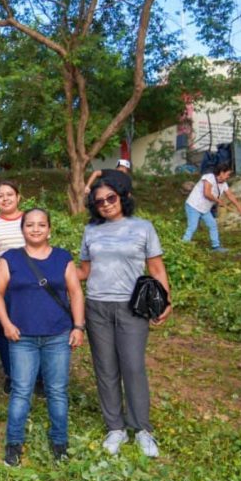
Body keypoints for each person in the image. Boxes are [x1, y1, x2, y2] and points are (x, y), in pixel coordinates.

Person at [78, 175, 171, 458]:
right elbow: (84, 271)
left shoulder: (143, 228)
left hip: (132, 307)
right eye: (99, 201)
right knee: (105, 369)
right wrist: (50, 266)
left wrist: (165, 301)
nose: (106, 204)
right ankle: (115, 428)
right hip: (97, 307)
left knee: (133, 366)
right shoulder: (91, 231)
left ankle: (141, 428)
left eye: (111, 198)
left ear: (123, 196)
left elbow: (156, 269)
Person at [0, 209, 85, 465]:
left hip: (58, 335)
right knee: (21, 391)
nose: (36, 229)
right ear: (22, 229)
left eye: (41, 225)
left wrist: (78, 327)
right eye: (30, 225)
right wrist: (6, 324)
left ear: (49, 229)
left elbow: (76, 293)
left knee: (57, 391)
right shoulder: (9, 258)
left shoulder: (62, 258)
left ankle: (59, 442)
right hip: (21, 337)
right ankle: (14, 443)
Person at [0, 181, 26, 389]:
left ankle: (37, 375)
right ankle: (11, 374)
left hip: (32, 284)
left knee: (33, 327)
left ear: (18, 197)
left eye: (9, 194)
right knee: (5, 328)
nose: (5, 199)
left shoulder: (30, 219)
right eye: (0, 196)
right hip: (4, 285)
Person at [182, 162, 241, 253]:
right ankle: (183, 245)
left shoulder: (224, 184)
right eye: (228, 174)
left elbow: (231, 196)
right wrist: (218, 201)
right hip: (193, 206)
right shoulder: (209, 177)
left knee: (212, 225)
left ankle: (216, 247)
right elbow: (207, 193)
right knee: (192, 226)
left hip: (205, 209)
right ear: (221, 173)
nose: (228, 176)